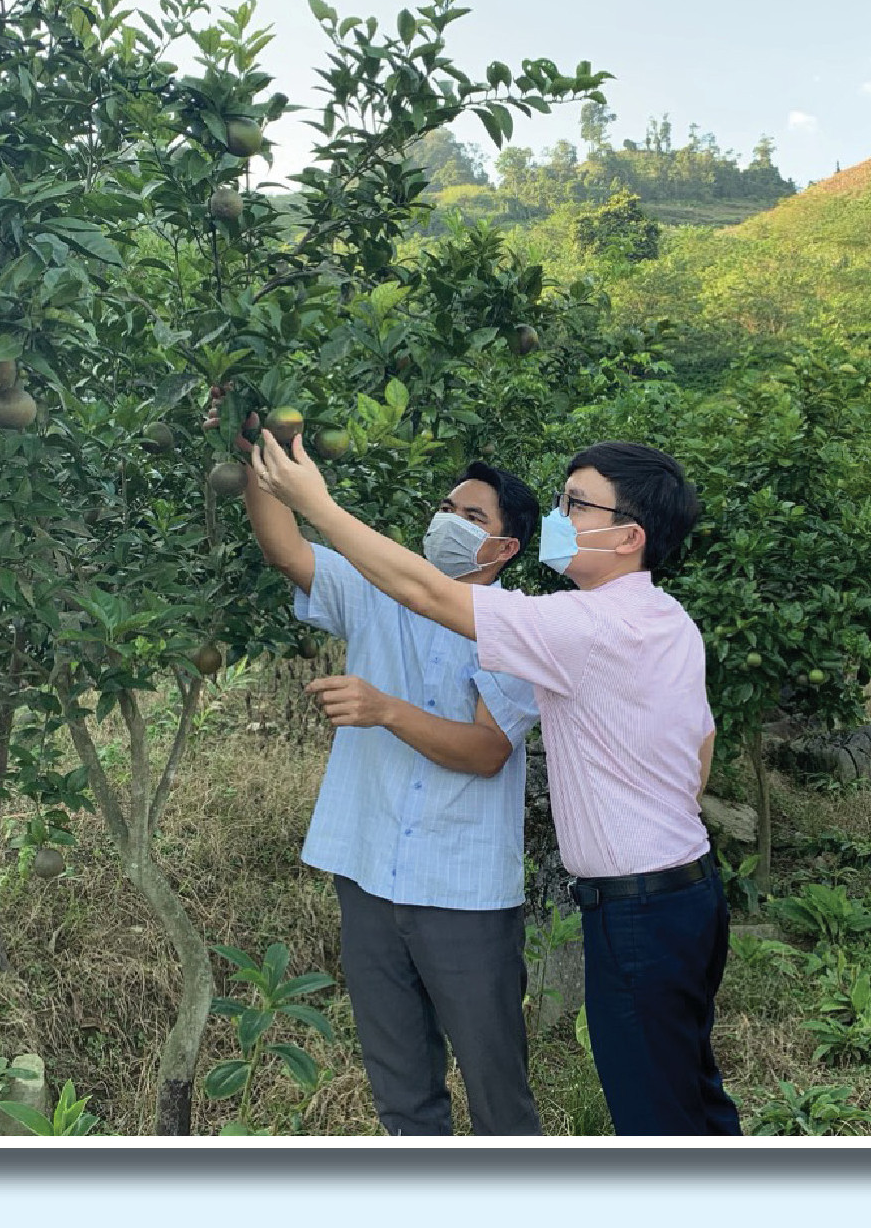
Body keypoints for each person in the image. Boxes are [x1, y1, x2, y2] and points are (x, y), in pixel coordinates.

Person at [253, 432, 740, 1137]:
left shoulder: (583, 625)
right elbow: (702, 744)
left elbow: (425, 591)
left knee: (655, 1117)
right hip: (684, 888)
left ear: (629, 535)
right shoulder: (666, 618)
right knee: (691, 1095)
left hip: (638, 907)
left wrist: (318, 504)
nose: (561, 517)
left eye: (578, 504)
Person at [221, 404, 545, 1137]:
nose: (447, 520)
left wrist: (384, 709)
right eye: (445, 506)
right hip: (369, 875)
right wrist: (258, 453)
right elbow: (285, 547)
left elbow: (487, 750)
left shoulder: (520, 627)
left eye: (470, 513)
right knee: (402, 1091)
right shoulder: (376, 591)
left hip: (462, 893)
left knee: (498, 1092)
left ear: (503, 546)